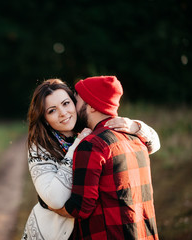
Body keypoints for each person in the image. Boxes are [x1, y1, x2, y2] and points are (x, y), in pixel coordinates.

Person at [22, 78, 160, 240]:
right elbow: (57, 200)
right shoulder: (41, 146)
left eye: (66, 103)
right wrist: (77, 145)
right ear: (44, 118)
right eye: (52, 110)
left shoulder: (90, 131)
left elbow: (154, 144)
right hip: (54, 233)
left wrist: (135, 126)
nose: (63, 113)